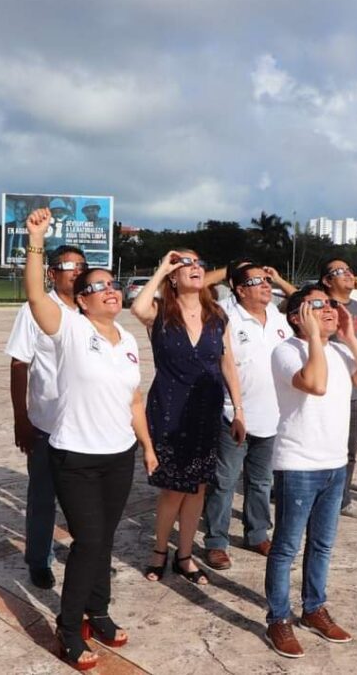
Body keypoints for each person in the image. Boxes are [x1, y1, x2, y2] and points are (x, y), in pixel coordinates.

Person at [23, 209, 157, 671]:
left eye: (113, 283)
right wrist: (36, 241)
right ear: (81, 300)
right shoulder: (70, 329)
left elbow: (134, 399)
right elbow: (37, 296)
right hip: (75, 455)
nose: (111, 290)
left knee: (106, 538)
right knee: (90, 539)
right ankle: (67, 628)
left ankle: (97, 611)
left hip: (119, 455)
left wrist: (148, 448)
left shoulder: (126, 338)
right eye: (99, 286)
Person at [263, 285, 357, 658]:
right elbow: (314, 384)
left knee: (322, 544)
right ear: (297, 316)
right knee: (285, 547)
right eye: (317, 305)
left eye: (331, 304)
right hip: (298, 465)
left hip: (334, 465)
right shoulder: (286, 351)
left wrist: (349, 336)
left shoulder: (341, 350)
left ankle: (314, 608)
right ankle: (278, 620)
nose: (330, 309)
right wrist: (314, 336)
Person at [131, 249, 246, 586]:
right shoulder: (160, 311)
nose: (195, 268)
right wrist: (162, 266)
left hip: (207, 410)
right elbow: (137, 307)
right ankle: (159, 551)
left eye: (199, 264)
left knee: (197, 487)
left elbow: (228, 365)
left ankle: (184, 556)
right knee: (172, 488)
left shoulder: (217, 315)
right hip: (169, 408)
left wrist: (237, 410)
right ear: (173, 276)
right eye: (186, 265)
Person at [5, 245, 86, 590]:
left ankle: (87, 556)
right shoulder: (35, 310)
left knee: (86, 500)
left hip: (88, 426)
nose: (78, 271)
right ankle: (39, 559)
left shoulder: (91, 309)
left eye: (83, 265)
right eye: (70, 266)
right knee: (42, 497)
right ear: (52, 273)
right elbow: (19, 363)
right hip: (47, 424)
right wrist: (21, 417)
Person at [202, 263, 291, 571]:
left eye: (268, 281)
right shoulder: (223, 315)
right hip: (232, 414)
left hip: (273, 416)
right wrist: (236, 410)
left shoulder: (280, 318)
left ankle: (256, 534)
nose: (266, 286)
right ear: (239, 290)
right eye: (257, 282)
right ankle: (216, 542)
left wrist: (278, 277)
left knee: (261, 482)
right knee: (224, 482)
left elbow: (307, 302)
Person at [318, 258, 357, 520]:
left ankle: (342, 498)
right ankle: (316, 497)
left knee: (350, 450)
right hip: (326, 392)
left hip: (354, 393)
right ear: (327, 281)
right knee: (320, 447)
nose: (348, 275)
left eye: (349, 270)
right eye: (339, 272)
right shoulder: (321, 306)